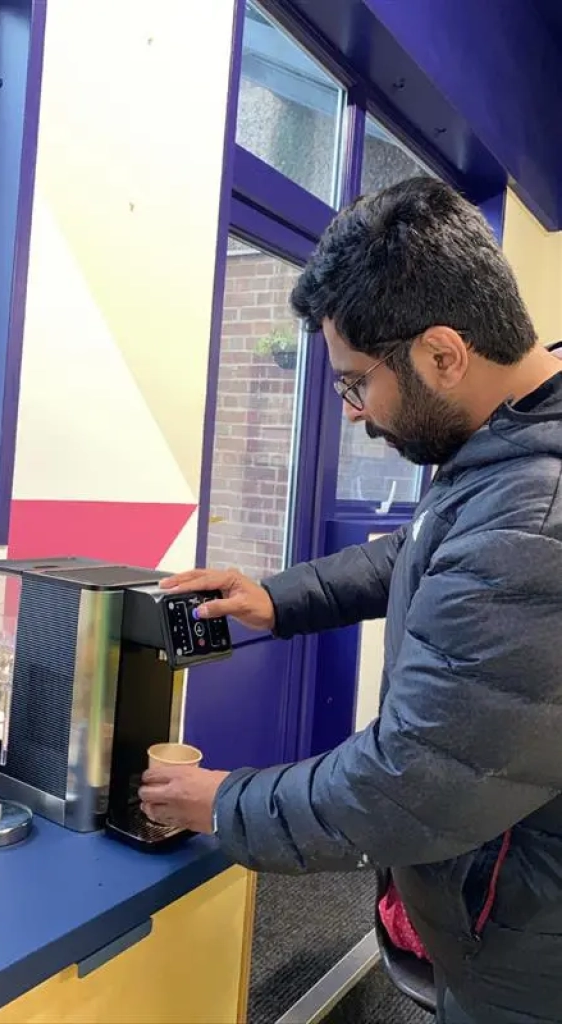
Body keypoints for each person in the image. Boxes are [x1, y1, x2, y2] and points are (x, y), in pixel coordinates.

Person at [139, 178, 562, 1024]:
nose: (359, 413)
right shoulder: (513, 437)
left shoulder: (536, 513)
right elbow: (425, 550)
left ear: (443, 355)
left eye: (357, 383)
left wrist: (219, 802)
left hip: (529, 951)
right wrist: (276, 599)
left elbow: (407, 785)